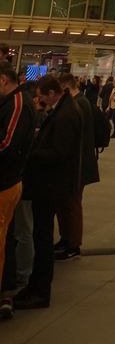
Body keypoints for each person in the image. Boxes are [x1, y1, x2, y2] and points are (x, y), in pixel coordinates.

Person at [14, 76, 83, 311]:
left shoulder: (66, 113)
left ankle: (40, 291)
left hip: (50, 186)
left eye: (42, 96)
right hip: (49, 185)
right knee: (40, 237)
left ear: (53, 93)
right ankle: (35, 286)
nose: (40, 100)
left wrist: (30, 151)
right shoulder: (63, 108)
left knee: (42, 239)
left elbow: (58, 153)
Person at [0, 63, 36, 320]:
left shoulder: (18, 104)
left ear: (3, 80)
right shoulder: (15, 101)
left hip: (5, 182)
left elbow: (7, 144)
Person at [55, 74, 98, 262]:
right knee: (66, 204)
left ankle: (73, 246)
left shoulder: (78, 105)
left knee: (72, 205)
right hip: (80, 162)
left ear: (65, 87)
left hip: (79, 164)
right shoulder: (82, 102)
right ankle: (66, 240)